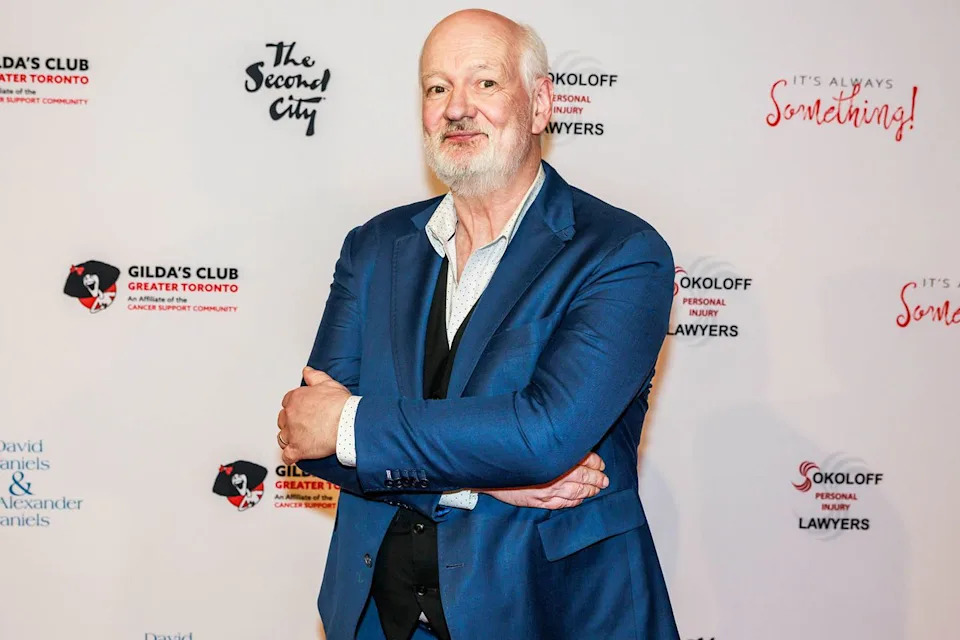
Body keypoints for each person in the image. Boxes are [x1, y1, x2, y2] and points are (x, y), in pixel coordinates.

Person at [276, 9, 680, 640]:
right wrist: (484, 484)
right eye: (437, 88)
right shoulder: (374, 246)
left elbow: (542, 434)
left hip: (548, 614)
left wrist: (353, 423)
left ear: (541, 101)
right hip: (375, 618)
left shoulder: (621, 252)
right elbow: (311, 436)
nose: (457, 107)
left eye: (484, 83)